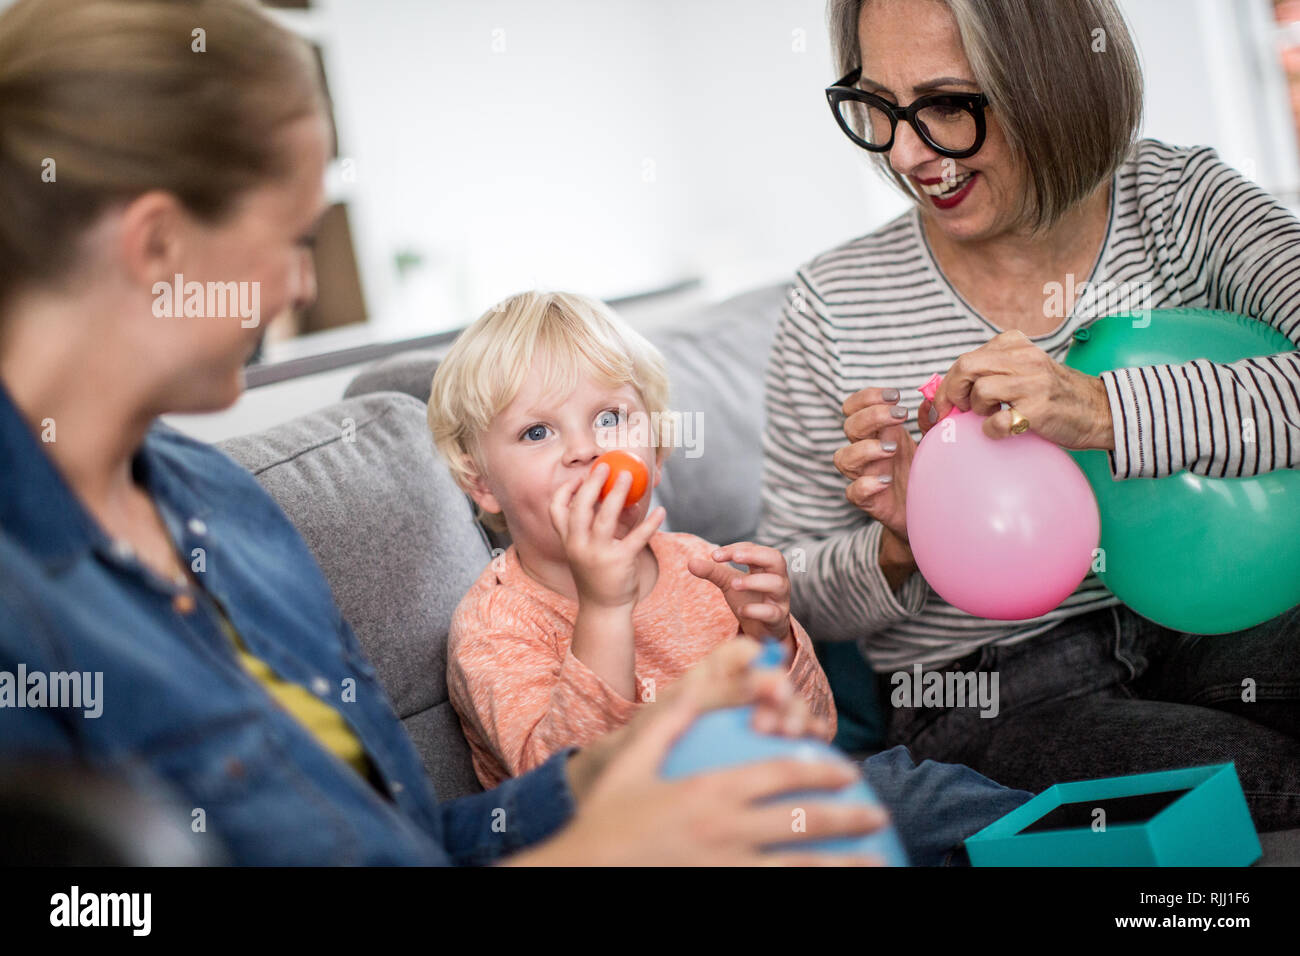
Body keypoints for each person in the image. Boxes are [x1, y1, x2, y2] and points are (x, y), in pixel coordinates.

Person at [0, 0, 1031, 866]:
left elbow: (420, 839)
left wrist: (630, 761)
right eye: (292, 236)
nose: (302, 282)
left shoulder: (223, 509)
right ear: (159, 244)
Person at [757, 0, 1300, 831]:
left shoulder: (1181, 202)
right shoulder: (833, 301)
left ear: (1050, 83)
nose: (905, 152)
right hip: (990, 686)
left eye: (948, 104)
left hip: (1208, 614)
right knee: (1257, 785)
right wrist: (903, 545)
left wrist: (1100, 407)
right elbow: (794, 593)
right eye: (878, 105)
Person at [429, 290, 837, 789]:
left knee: (916, 788)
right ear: (483, 485)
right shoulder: (496, 627)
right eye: (537, 432)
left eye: (609, 418)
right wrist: (603, 607)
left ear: (658, 453)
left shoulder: (703, 567)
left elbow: (815, 737)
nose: (585, 449)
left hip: (765, 807)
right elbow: (569, 792)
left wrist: (772, 640)